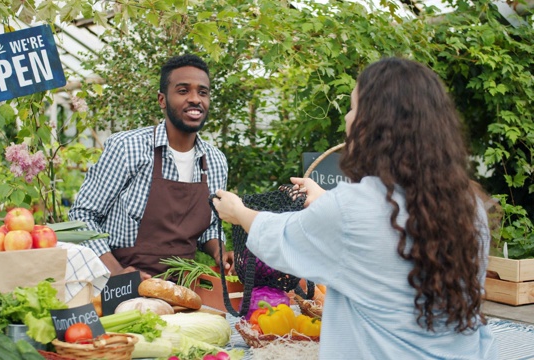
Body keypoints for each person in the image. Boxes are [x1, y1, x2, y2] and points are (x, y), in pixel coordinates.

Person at [213, 57, 497, 359]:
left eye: (353, 107)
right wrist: (325, 200)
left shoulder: (351, 209)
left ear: (373, 124)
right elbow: (386, 228)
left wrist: (238, 211)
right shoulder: (468, 206)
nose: (348, 119)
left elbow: (281, 237)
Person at [69, 54, 233, 280]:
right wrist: (117, 272)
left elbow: (210, 226)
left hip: (182, 287)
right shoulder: (128, 148)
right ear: (162, 100)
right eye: (183, 91)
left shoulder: (215, 161)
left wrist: (219, 251)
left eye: (202, 92)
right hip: (118, 282)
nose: (195, 99)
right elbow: (82, 216)